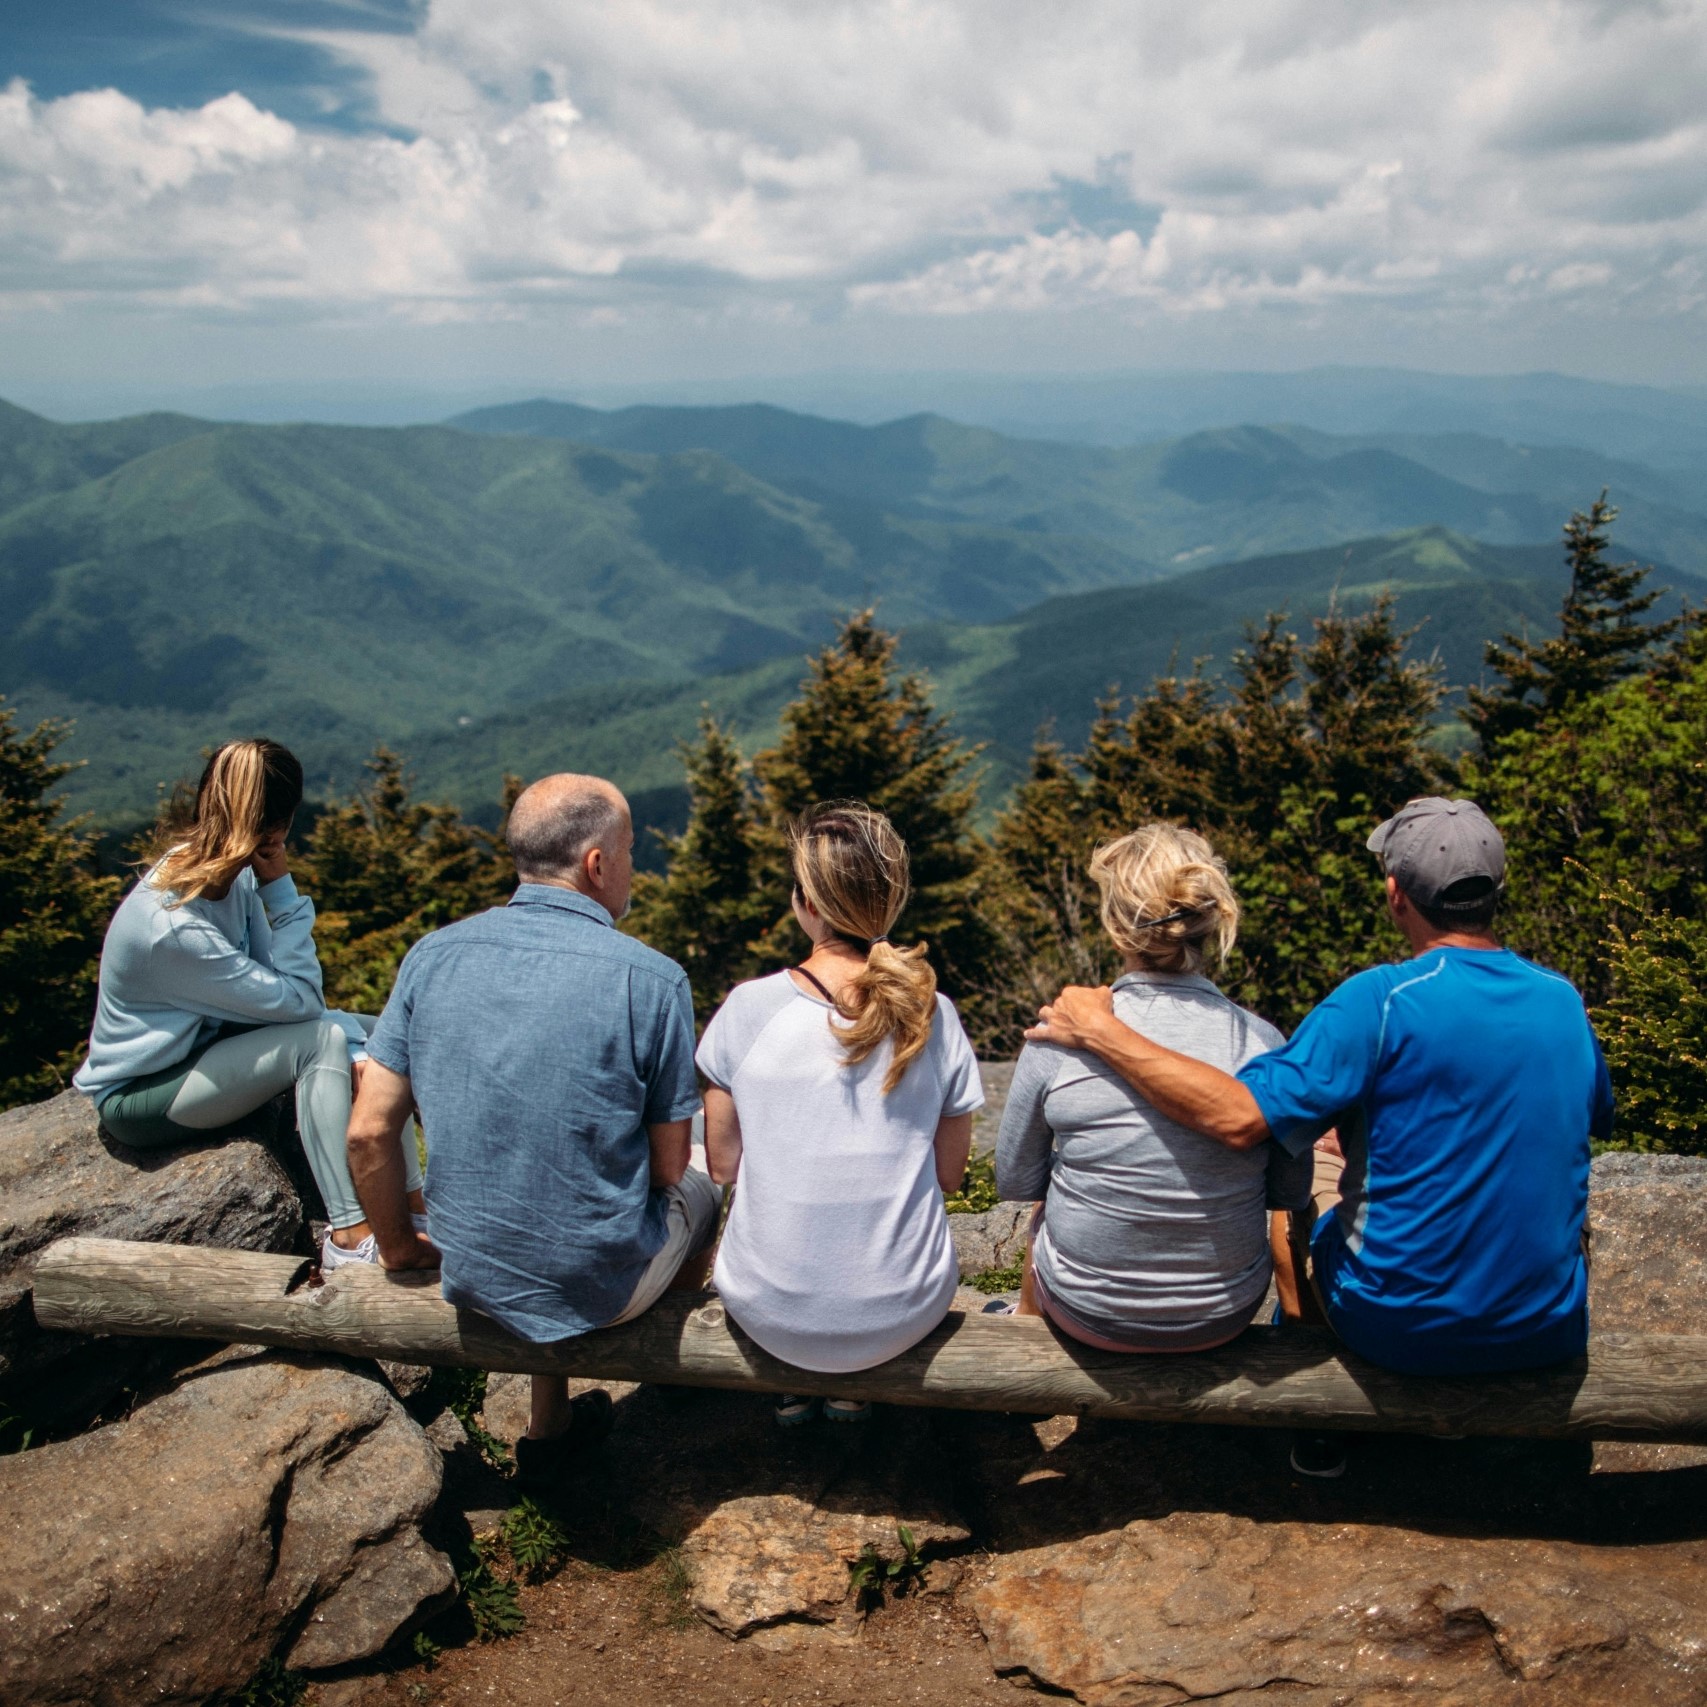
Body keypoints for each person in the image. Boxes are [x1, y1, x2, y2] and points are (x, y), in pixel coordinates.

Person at [1028, 797, 1614, 1474]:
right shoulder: (1561, 998)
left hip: (1397, 1326)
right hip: (1542, 1326)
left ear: (1395, 894)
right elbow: (1581, 1115)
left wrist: (1102, 1031)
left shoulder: (1378, 999)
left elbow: (1240, 1117)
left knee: (1303, 1173)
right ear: (1494, 890)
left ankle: (1316, 1417)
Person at [345, 772, 719, 1480]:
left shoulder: (433, 954)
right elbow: (670, 1169)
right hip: (602, 1289)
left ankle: (550, 1421)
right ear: (597, 864)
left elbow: (368, 1131)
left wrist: (397, 1245)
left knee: (535, 1167)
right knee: (704, 1189)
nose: (633, 866)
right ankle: (670, 1377)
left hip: (471, 1267)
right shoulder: (653, 978)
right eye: (631, 850)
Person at [73, 738, 425, 1270]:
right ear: (276, 829)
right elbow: (304, 1005)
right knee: (322, 1042)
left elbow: (286, 991)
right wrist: (281, 889)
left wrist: (363, 1048)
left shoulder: (225, 877)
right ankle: (349, 1237)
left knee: (384, 1032)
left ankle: (414, 1211)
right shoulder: (174, 927)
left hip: (204, 1050)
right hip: (142, 1094)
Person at [697, 801, 983, 1425]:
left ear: (806, 903)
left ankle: (796, 1385)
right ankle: (855, 1391)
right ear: (890, 902)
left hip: (770, 1311)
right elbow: (950, 1175)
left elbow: (723, 1167)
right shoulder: (934, 1014)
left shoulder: (748, 1009)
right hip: (903, 1310)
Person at [996, 823, 1311, 1350]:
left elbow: (1015, 1178)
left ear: (1117, 930)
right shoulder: (1264, 1042)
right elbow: (1288, 1191)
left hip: (1088, 1313)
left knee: (1048, 1199)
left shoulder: (1060, 1035)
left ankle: (1024, 1323)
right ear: (1209, 922)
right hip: (1224, 1313)